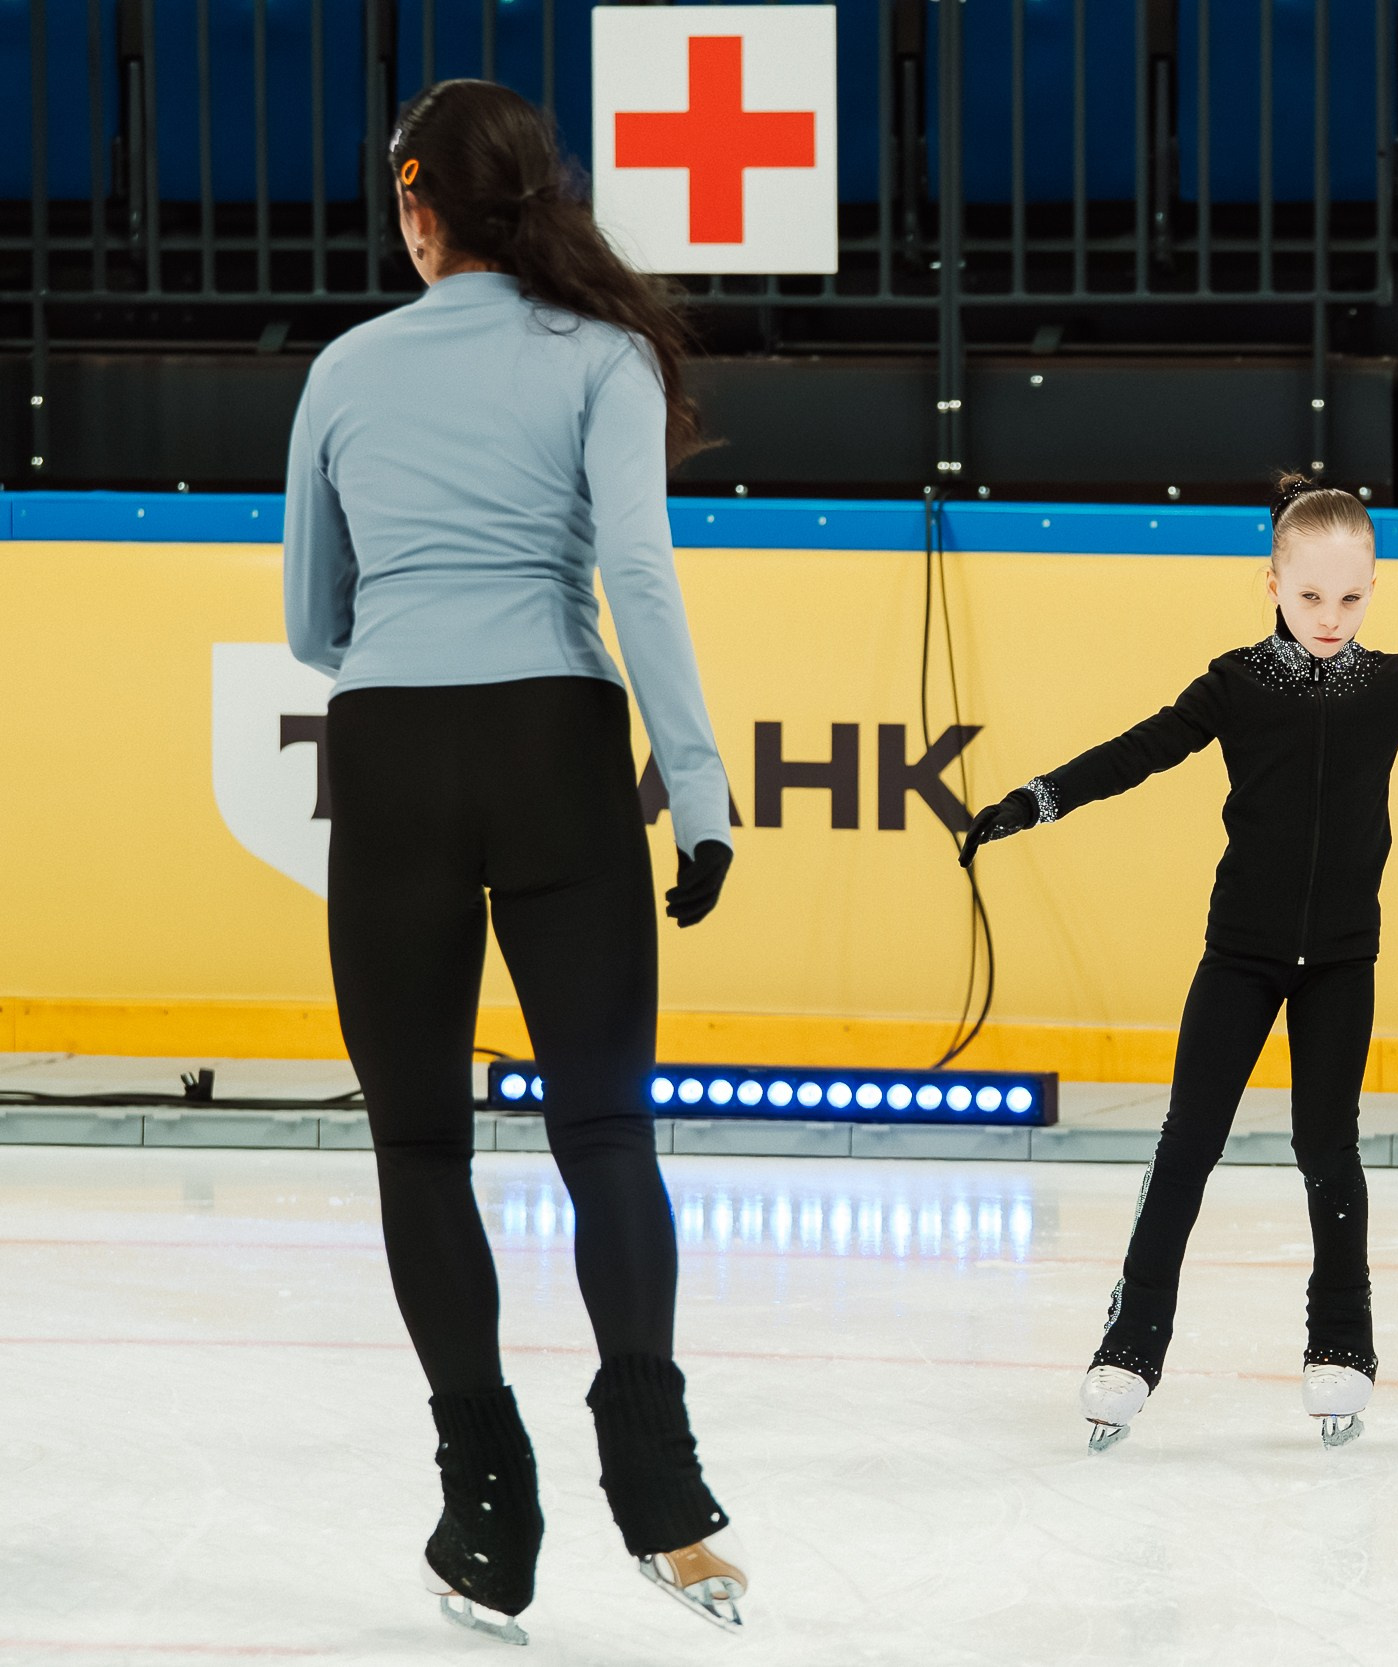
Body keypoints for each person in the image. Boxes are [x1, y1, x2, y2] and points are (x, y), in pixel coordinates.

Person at [282, 80, 746, 1641]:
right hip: (559, 745)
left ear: (417, 212)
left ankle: (488, 1504)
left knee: (422, 1146)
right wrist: (698, 791)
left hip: (398, 752)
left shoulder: (346, 369)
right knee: (606, 1130)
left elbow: (307, 624)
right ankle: (661, 1484)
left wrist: (413, 630)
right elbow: (638, 574)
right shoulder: (607, 354)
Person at [960, 476, 1398, 1451]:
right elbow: (1134, 752)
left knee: (1325, 1147)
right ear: (1272, 585)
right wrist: (1033, 799)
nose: (1331, 617)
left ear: (1373, 586)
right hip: (1241, 954)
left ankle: (1341, 1341)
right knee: (1187, 1142)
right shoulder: (1236, 685)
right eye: (1310, 597)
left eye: (1350, 596)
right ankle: (1130, 1346)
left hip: (1339, 960)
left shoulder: (1388, 687)